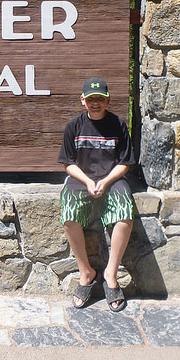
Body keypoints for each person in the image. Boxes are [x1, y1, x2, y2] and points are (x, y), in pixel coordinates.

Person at [58, 77, 135, 312]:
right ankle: (87, 273)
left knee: (125, 213)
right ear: (83, 100)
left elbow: (125, 163)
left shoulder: (118, 125)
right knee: (69, 213)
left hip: (112, 180)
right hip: (82, 179)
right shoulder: (74, 126)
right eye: (91, 99)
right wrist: (88, 181)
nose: (95, 103)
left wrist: (105, 180)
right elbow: (68, 164)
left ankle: (111, 275)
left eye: (100, 99)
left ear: (108, 100)